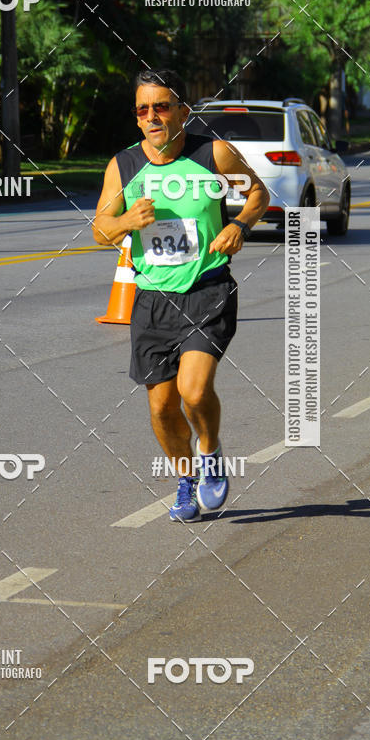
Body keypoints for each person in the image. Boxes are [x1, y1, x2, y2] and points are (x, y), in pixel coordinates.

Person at [92, 69, 270, 522]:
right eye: (143, 109)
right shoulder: (125, 166)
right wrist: (126, 222)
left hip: (207, 289)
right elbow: (99, 229)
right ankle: (186, 480)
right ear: (137, 119)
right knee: (161, 405)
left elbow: (258, 195)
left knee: (193, 392)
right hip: (152, 299)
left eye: (162, 106)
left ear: (182, 112)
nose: (152, 116)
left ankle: (210, 453)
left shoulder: (213, 155)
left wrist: (239, 225)